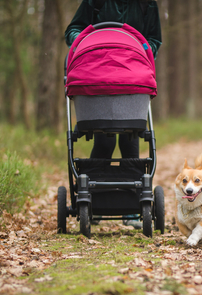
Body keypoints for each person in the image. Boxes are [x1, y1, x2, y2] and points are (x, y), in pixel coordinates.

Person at [65, 0, 162, 229]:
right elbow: (73, 30)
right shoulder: (96, 2)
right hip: (98, 77)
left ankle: (132, 209)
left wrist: (141, 49)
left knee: (130, 139)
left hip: (132, 76)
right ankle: (94, 201)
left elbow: (154, 39)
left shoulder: (146, 4)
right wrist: (88, 41)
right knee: (104, 141)